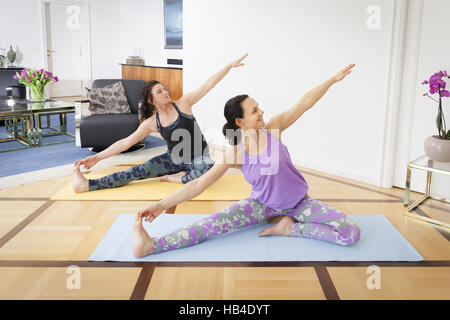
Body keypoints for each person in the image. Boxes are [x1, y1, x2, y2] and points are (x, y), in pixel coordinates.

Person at [132, 63, 360, 258]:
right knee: (210, 224)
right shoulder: (235, 153)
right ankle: (151, 245)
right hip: (259, 205)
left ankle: (288, 229)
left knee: (350, 233)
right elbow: (198, 184)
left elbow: (304, 103)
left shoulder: (274, 129)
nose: (261, 112)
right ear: (240, 121)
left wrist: (332, 80)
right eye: (254, 110)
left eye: (259, 107)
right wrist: (161, 205)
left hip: (299, 203)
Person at [72, 53, 248, 192]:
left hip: (199, 158)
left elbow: (208, 84)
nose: (165, 92)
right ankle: (88, 185)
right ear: (151, 100)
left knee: (208, 168)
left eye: (164, 89)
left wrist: (228, 67)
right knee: (135, 172)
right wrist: (97, 157)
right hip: (173, 160)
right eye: (159, 91)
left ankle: (179, 178)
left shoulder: (184, 104)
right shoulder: (151, 122)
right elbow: (125, 142)